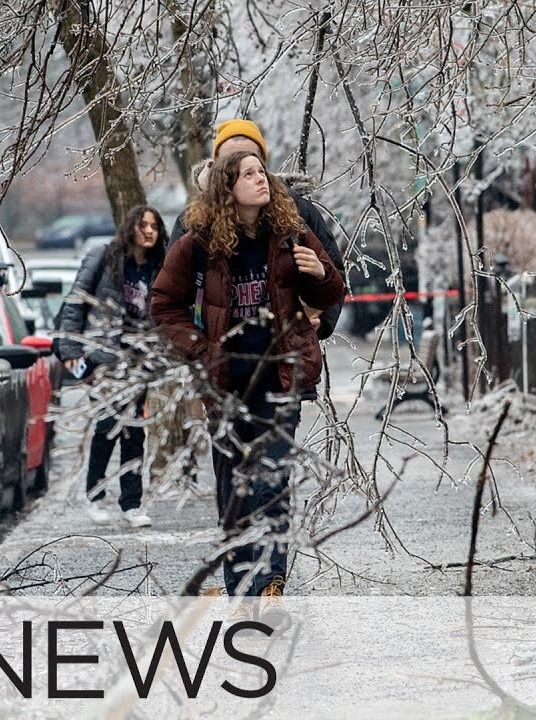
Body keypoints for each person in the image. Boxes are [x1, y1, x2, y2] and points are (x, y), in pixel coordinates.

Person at [151, 151, 345, 612]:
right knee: (236, 487)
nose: (263, 179)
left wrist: (319, 275)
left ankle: (271, 582)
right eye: (251, 174)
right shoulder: (197, 243)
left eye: (263, 171)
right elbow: (163, 306)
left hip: (281, 377)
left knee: (272, 479)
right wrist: (200, 349)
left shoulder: (291, 232)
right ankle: (242, 587)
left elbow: (332, 290)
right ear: (227, 186)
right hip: (226, 386)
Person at [170, 118, 346, 341]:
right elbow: (168, 298)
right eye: (231, 161)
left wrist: (321, 321)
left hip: (283, 362)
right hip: (218, 364)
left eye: (249, 158)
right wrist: (193, 347)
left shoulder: (296, 211)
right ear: (215, 167)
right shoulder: (194, 221)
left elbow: (333, 273)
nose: (241, 165)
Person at [56, 205, 167, 528]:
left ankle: (131, 503)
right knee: (107, 426)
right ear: (130, 227)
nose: (148, 231)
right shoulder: (103, 257)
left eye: (154, 226)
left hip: (139, 361)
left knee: (134, 431)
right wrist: (72, 351)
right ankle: (95, 494)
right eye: (142, 225)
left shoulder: (159, 268)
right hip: (102, 358)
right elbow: (75, 304)